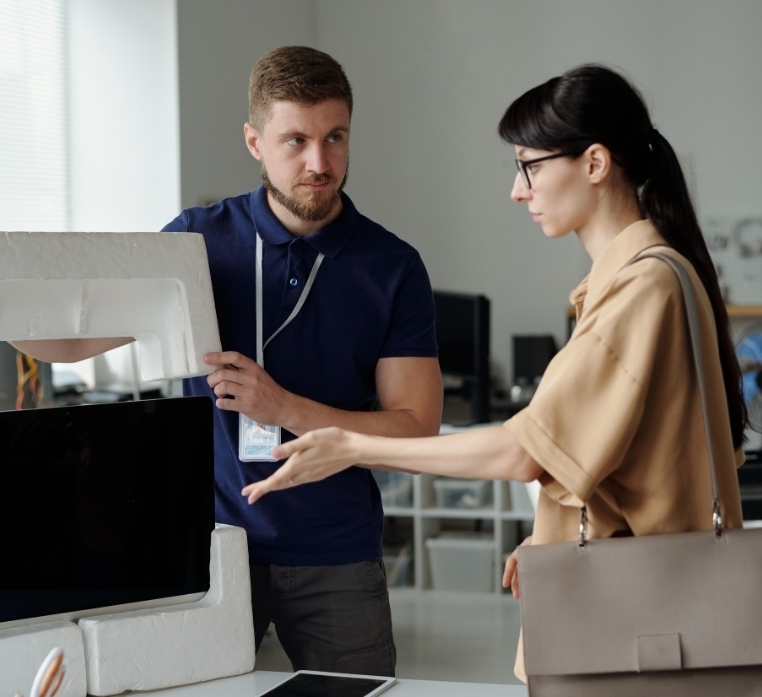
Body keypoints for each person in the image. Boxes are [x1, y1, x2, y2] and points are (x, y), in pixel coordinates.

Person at [0, 46, 443, 677]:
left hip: (336, 552)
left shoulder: (392, 267)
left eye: (335, 137)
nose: (320, 163)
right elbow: (74, 341)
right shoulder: (196, 240)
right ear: (254, 142)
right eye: (296, 141)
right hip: (209, 547)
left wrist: (283, 407)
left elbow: (416, 429)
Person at [240, 64, 747, 683]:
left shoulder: (643, 287)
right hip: (634, 596)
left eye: (529, 166)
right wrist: (552, 530)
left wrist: (350, 446)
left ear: (593, 163)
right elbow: (630, 457)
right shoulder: (649, 277)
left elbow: (522, 451)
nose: (518, 190)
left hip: (637, 615)